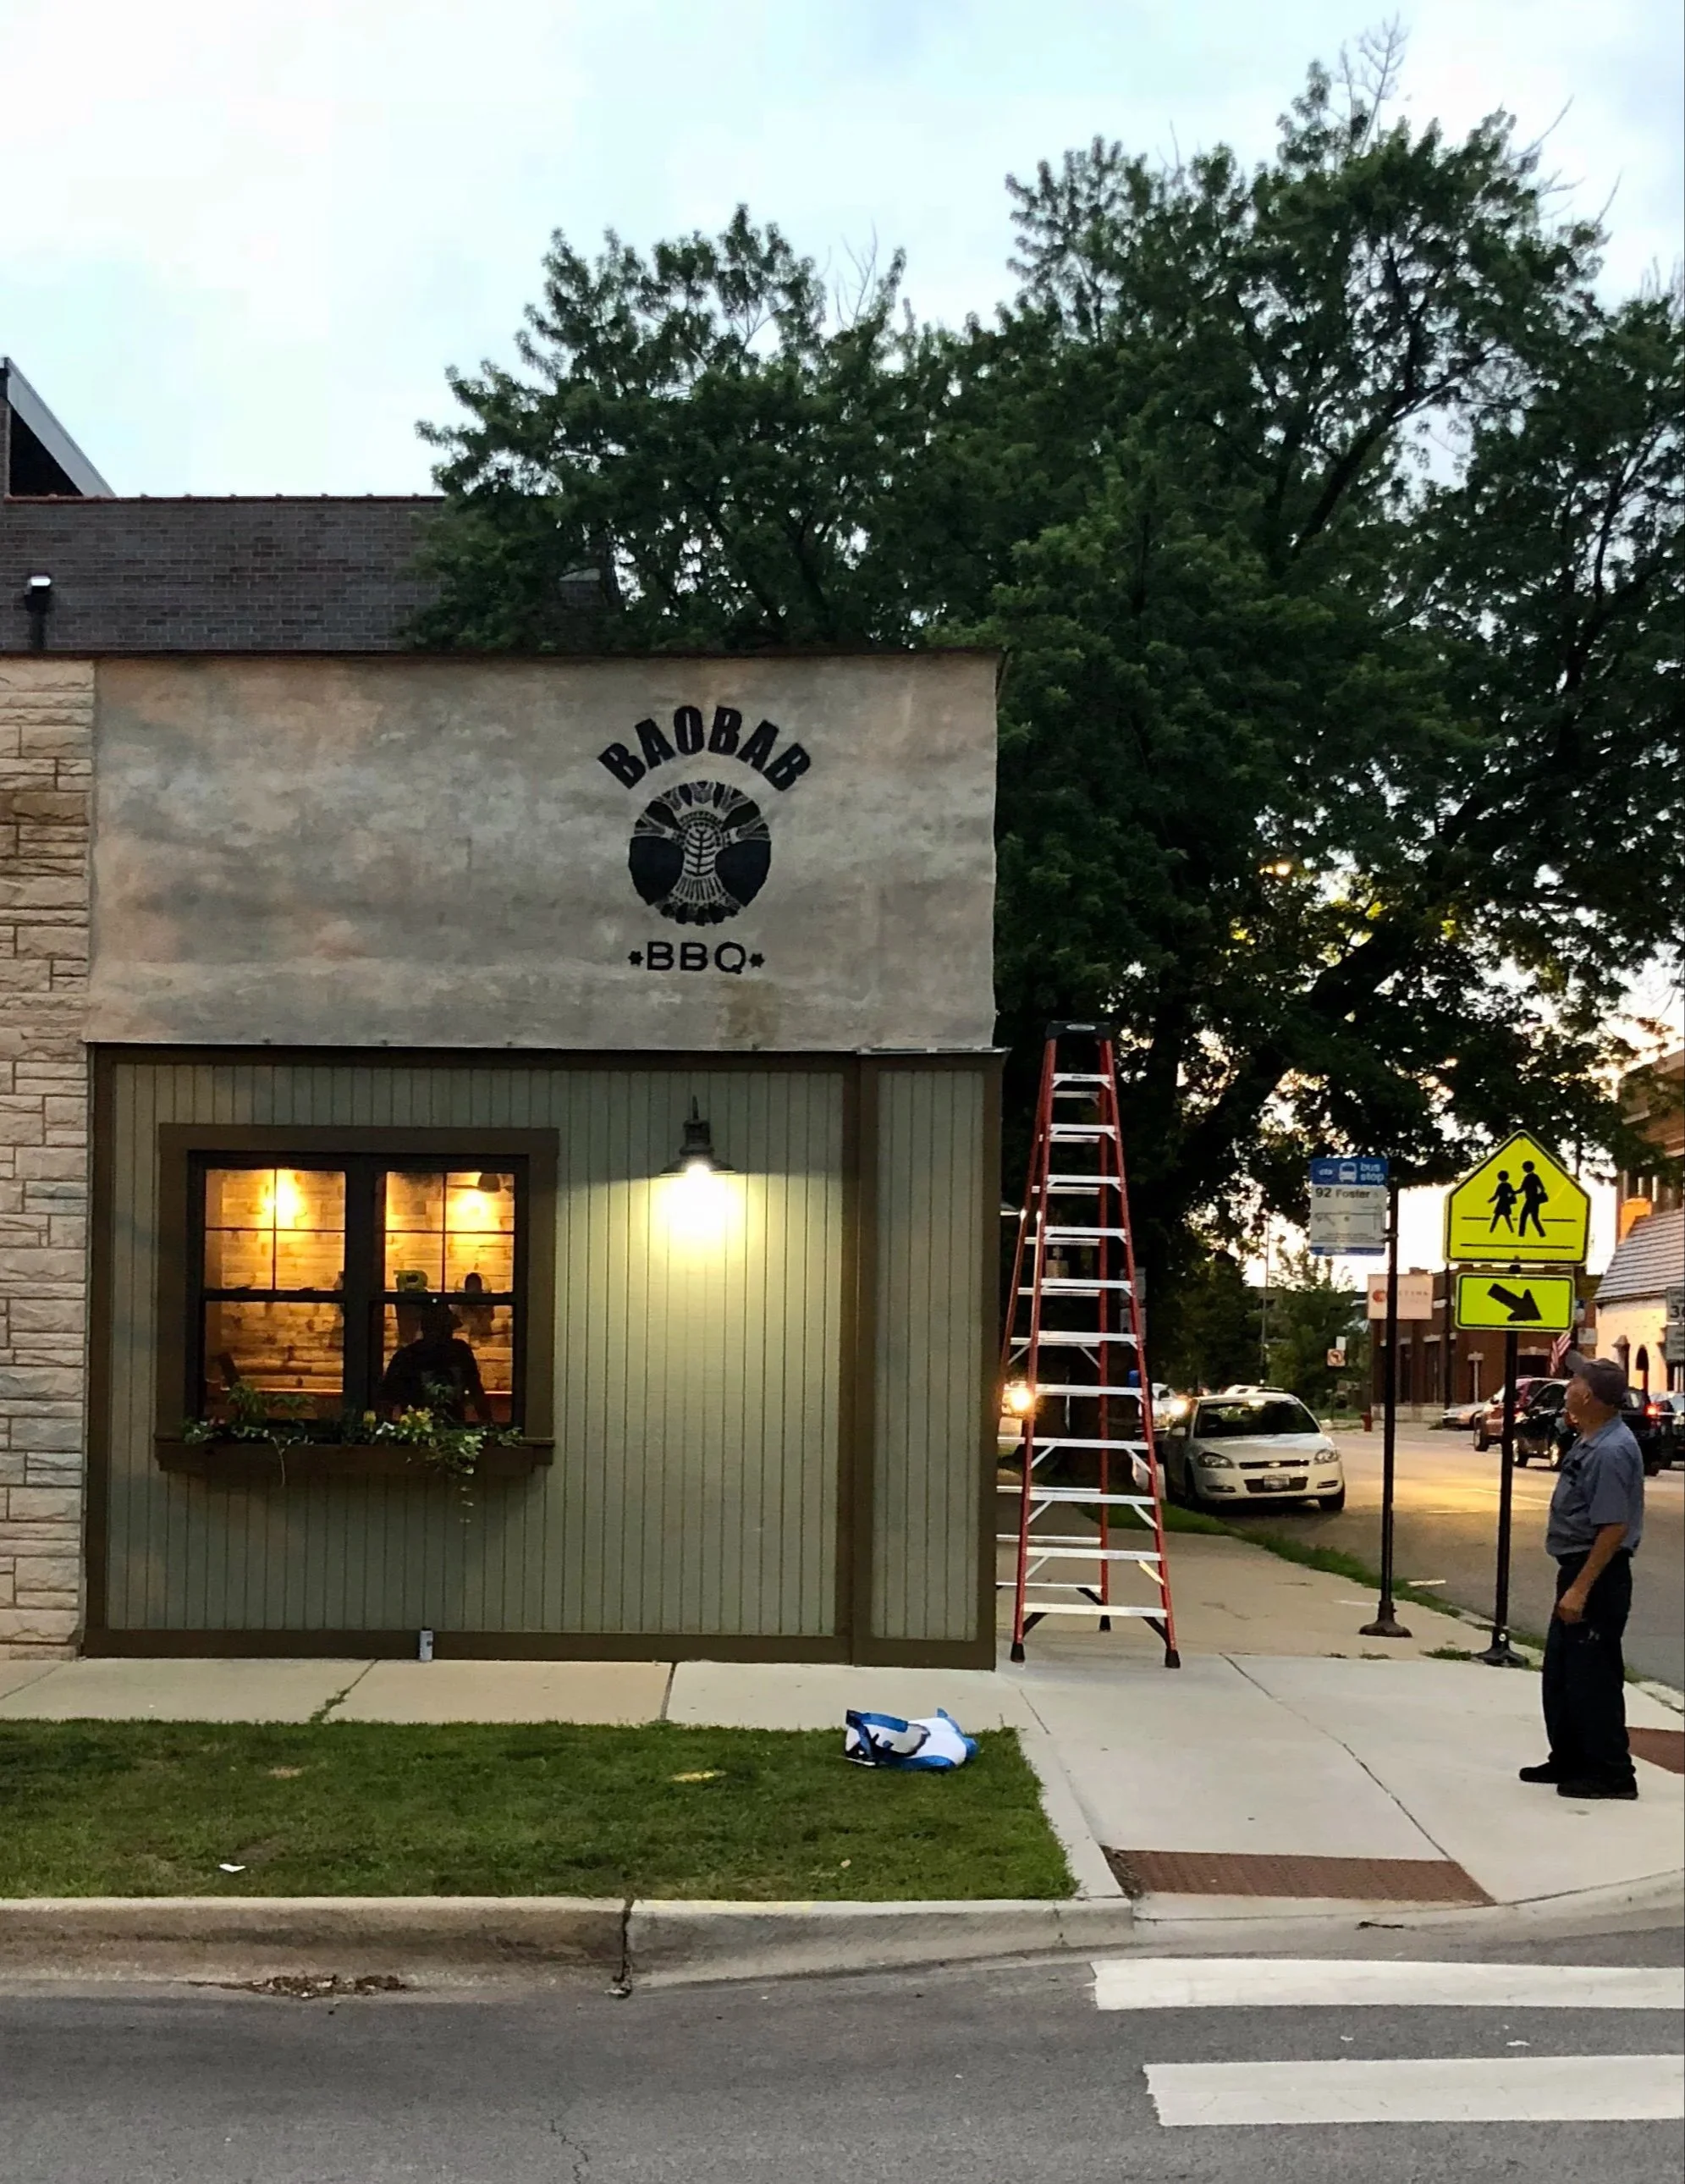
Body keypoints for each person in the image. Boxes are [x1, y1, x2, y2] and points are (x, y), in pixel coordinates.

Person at [1520, 1354, 1644, 1800]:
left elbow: (1613, 1528)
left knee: (1593, 1677)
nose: (1567, 1384)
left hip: (1597, 1575)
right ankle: (1570, 1759)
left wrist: (1580, 1588)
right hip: (1579, 1571)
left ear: (1587, 1395)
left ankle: (1611, 1773)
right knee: (1562, 1674)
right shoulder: (1592, 1438)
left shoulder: (1611, 1451)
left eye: (1574, 1379)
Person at [380, 1299, 490, 1424]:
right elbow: (387, 1400)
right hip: (416, 1432)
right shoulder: (407, 1357)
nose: (445, 1334)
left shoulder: (460, 1353)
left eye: (446, 1330)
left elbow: (477, 1393)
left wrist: (488, 1425)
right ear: (427, 1329)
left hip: (454, 1430)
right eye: (441, 1329)